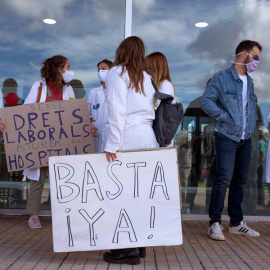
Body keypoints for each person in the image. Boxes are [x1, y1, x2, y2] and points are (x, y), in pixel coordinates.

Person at [103, 36, 158, 265]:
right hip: (147, 137)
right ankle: (138, 244)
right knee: (140, 193)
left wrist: (112, 144)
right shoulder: (147, 77)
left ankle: (126, 249)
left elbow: (117, 111)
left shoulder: (117, 73)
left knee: (122, 193)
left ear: (121, 51)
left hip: (128, 136)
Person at [200, 40, 262, 241]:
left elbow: (248, 109)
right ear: (244, 54)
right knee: (223, 179)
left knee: (240, 181)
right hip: (227, 135)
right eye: (256, 56)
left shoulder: (249, 81)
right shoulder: (222, 77)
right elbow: (206, 101)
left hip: (245, 137)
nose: (257, 61)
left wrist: (250, 128)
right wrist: (225, 117)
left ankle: (236, 223)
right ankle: (214, 223)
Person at [23, 55, 75, 229]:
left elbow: (73, 113)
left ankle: (60, 215)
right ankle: (34, 214)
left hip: (61, 142)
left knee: (61, 179)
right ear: (59, 69)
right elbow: (26, 111)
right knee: (38, 179)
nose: (70, 70)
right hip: (41, 141)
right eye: (67, 67)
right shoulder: (39, 87)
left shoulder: (68, 89)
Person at [87, 59, 113, 152]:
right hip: (98, 136)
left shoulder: (118, 91)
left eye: (103, 68)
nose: (100, 71)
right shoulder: (93, 92)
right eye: (99, 70)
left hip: (114, 137)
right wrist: (91, 125)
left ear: (112, 70)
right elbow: (87, 115)